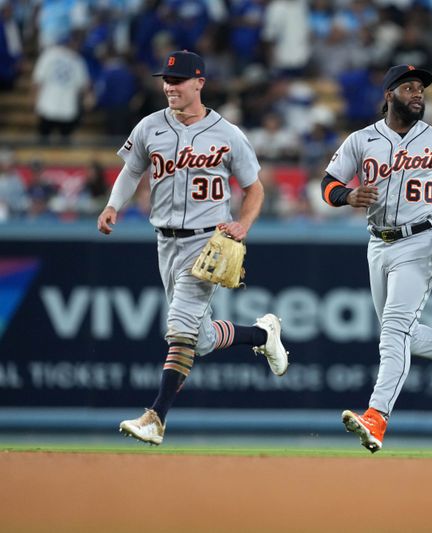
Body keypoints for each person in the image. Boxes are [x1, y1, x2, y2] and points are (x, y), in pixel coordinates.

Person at [96, 50, 288, 446]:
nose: (170, 87)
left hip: (207, 241)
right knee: (197, 339)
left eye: (179, 80)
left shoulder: (228, 133)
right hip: (164, 240)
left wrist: (244, 224)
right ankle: (262, 335)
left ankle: (156, 416)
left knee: (180, 330)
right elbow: (131, 170)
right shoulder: (150, 126)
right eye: (166, 80)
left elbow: (255, 189)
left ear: (200, 83)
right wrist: (114, 205)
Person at [320, 64, 432, 453]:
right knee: (399, 334)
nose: (417, 94)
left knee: (393, 331)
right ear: (389, 94)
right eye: (408, 87)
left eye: (421, 88)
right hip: (378, 243)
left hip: (421, 242)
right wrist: (347, 196)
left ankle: (376, 417)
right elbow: (328, 183)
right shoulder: (362, 140)